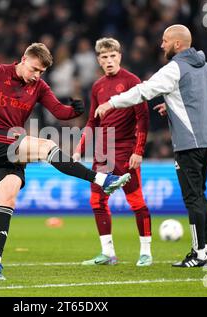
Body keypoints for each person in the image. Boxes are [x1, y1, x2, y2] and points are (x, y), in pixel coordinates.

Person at [0, 43, 131, 280]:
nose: (36, 76)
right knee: (46, 146)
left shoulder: (39, 86)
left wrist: (74, 111)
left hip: (13, 148)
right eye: (34, 69)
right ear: (23, 59)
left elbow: (58, 111)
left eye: (41, 72)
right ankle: (101, 179)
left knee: (6, 202)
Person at [95, 25, 207, 267]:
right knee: (201, 196)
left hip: (187, 143)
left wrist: (111, 103)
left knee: (192, 198)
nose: (161, 45)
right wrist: (171, 106)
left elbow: (144, 91)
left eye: (164, 41)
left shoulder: (174, 68)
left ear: (176, 44)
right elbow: (203, 100)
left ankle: (198, 253)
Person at [73, 38, 153, 267]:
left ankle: (146, 252)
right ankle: (108, 253)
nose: (109, 61)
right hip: (102, 153)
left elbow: (143, 119)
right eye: (104, 57)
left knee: (136, 202)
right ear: (98, 60)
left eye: (112, 56)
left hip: (126, 151)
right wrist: (80, 148)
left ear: (120, 56)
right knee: (97, 202)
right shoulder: (97, 86)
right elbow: (92, 121)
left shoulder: (132, 81)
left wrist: (138, 151)